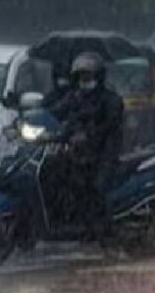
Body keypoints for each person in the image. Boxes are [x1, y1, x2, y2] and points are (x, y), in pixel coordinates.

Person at [52, 52, 125, 237]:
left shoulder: (110, 100)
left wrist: (88, 134)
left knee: (96, 186)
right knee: (57, 174)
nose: (85, 80)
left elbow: (109, 125)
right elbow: (55, 111)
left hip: (104, 150)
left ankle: (102, 227)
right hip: (78, 150)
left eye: (89, 76)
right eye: (81, 76)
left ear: (99, 76)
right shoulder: (74, 96)